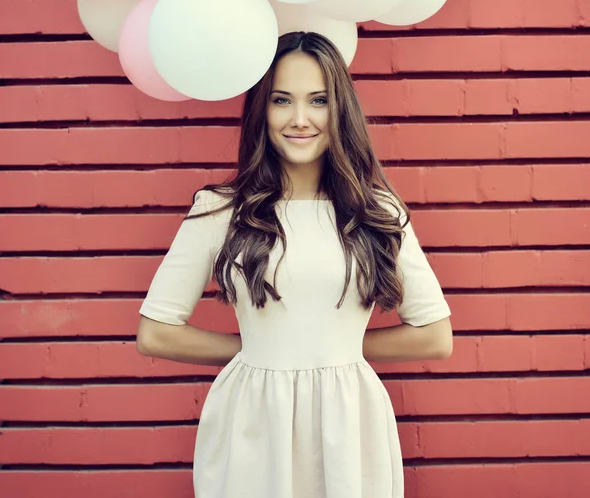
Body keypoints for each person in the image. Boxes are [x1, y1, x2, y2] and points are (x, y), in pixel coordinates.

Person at [136, 31, 453, 498]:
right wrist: (264, 355)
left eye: (318, 100)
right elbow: (156, 332)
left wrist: (330, 354)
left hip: (350, 420)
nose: (300, 119)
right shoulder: (219, 210)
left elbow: (434, 336)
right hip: (253, 417)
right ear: (261, 110)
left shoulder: (378, 211)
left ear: (339, 109)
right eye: (282, 100)